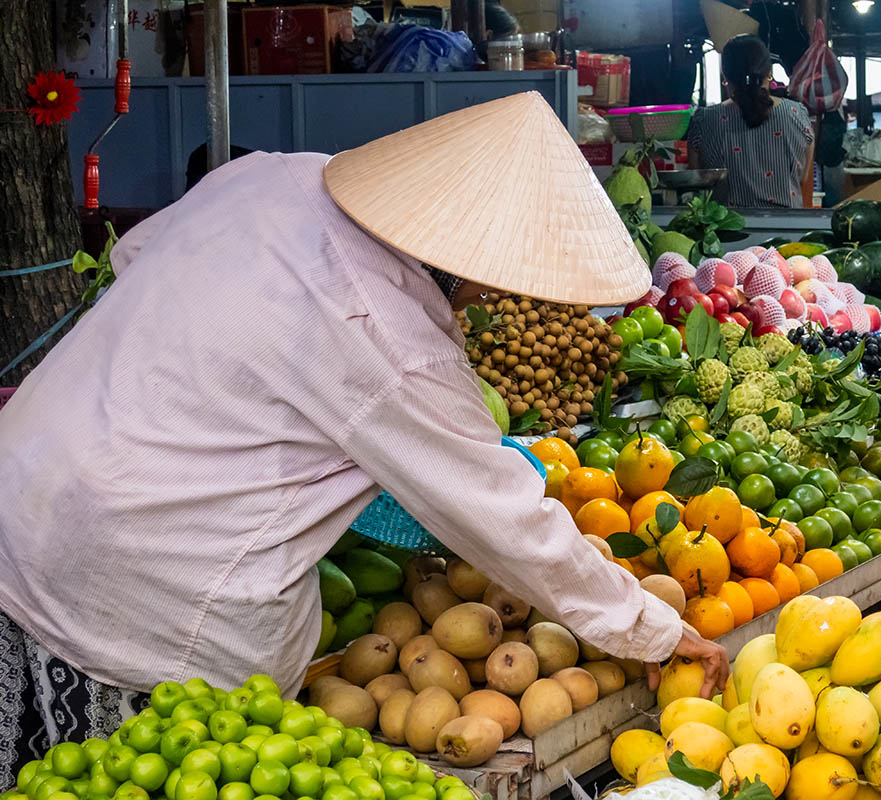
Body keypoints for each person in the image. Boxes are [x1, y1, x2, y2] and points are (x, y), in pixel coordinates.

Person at [0, 92, 728, 785]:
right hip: (131, 590)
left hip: (22, 485)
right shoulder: (391, 333)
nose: (490, 301)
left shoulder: (266, 178)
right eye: (494, 284)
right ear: (470, 263)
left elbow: (136, 261)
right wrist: (650, 629)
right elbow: (505, 516)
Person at [687, 34, 814, 208]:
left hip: (724, 230)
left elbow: (697, 183)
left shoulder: (704, 120)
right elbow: (804, 177)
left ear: (726, 76)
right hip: (787, 229)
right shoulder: (796, 114)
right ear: (768, 73)